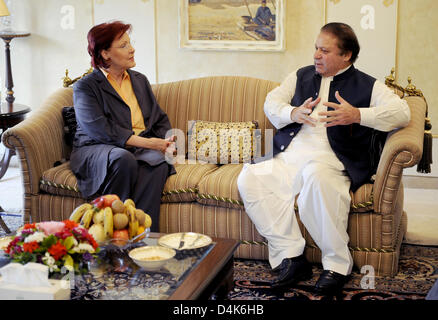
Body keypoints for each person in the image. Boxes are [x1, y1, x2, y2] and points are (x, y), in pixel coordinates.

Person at [237, 22, 410, 295]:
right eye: (316, 48)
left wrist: (358, 115)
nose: (316, 55)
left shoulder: (368, 85)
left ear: (346, 56)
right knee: (250, 177)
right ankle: (291, 257)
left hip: (331, 161)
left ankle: (338, 264)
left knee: (317, 180)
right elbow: (271, 102)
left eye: (325, 50)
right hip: (290, 156)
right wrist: (292, 113)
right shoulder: (300, 75)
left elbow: (402, 113)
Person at [71, 21, 176, 232]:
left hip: (135, 148)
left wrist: (168, 144)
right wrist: (149, 143)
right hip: (94, 148)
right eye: (123, 45)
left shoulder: (139, 80)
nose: (132, 49)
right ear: (106, 53)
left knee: (160, 162)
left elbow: (158, 119)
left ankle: (141, 234)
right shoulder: (86, 87)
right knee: (123, 158)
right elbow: (100, 130)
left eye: (130, 43)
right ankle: (105, 228)